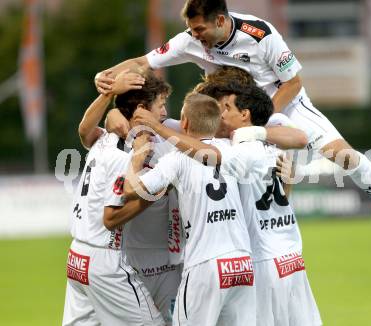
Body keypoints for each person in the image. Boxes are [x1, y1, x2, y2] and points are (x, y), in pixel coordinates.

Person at [94, 0, 371, 244]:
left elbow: (294, 83)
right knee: (198, 154)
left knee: (346, 158)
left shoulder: (261, 35)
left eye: (200, 30)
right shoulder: (189, 39)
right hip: (232, 115)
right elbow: (142, 62)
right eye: (191, 30)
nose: (195, 37)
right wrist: (107, 76)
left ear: (221, 21)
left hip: (284, 106)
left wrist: (260, 121)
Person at [134, 82, 321, 326]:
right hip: (288, 257)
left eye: (226, 108)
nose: (220, 114)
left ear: (244, 115)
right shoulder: (267, 147)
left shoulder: (238, 149)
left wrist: (155, 127)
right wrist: (288, 181)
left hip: (261, 261)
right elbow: (285, 174)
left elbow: (209, 154)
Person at [124, 92, 256, 326]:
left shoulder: (177, 159)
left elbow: (133, 190)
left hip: (205, 265)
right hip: (242, 262)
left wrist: (137, 158)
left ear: (184, 122)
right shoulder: (230, 149)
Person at [77, 70, 183, 326]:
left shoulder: (107, 139)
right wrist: (155, 193)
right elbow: (111, 219)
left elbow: (84, 131)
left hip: (83, 255)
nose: (165, 112)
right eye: (160, 105)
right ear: (140, 109)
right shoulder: (119, 153)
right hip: (113, 256)